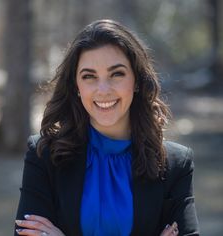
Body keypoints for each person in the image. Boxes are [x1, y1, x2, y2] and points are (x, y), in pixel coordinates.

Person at [14, 19, 200, 236]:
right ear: (76, 86)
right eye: (89, 76)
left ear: (137, 81)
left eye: (117, 74)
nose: (103, 90)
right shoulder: (43, 154)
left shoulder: (176, 164)